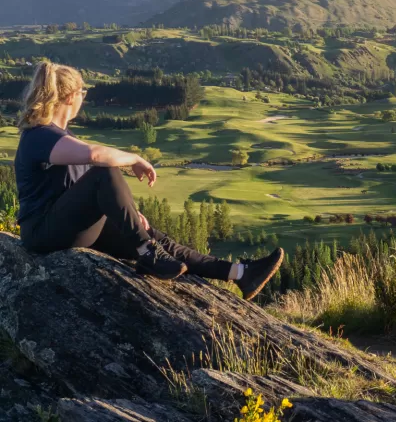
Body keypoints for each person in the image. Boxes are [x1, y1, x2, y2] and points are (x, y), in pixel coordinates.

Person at [13, 61, 284, 300]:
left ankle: (240, 273)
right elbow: (96, 158)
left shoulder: (58, 135)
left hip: (65, 227)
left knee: (154, 237)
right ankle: (146, 253)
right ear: (72, 97)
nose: (83, 98)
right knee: (106, 172)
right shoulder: (40, 135)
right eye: (82, 93)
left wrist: (130, 214)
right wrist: (134, 158)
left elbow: (81, 188)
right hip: (43, 233)